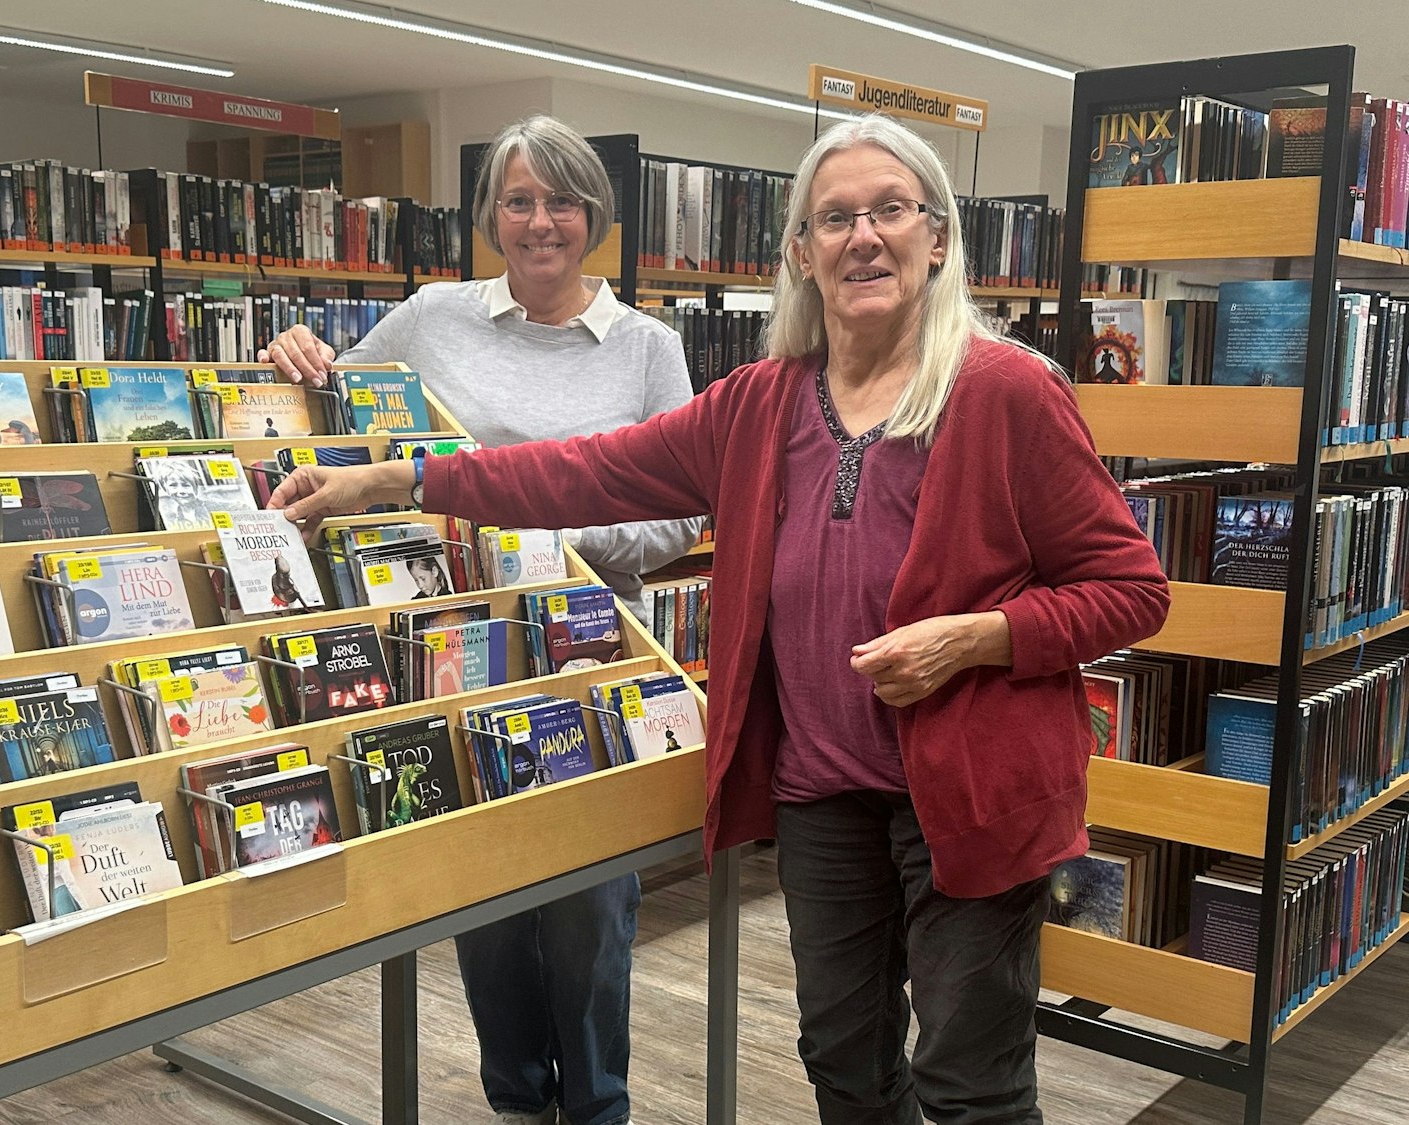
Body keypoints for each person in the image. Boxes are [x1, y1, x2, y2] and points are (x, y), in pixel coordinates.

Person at [269, 113, 1169, 1125]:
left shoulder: (1007, 392)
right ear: (800, 252)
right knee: (842, 1059)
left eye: (888, 211)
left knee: (970, 1082)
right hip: (822, 792)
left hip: (970, 793)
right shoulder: (759, 401)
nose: (861, 236)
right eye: (833, 218)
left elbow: (1131, 590)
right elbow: (580, 471)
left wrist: (978, 637)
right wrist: (393, 478)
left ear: (937, 238)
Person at [261, 114, 702, 1125]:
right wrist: (297, 351)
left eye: (559, 201)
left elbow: (684, 509)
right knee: (483, 904)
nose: (539, 223)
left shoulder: (648, 348)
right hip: (452, 650)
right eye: (517, 201)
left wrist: (565, 542)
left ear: (593, 214)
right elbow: (344, 412)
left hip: (593, 652)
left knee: (591, 906)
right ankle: (513, 1097)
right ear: (488, 217)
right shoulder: (430, 316)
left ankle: (594, 1107)